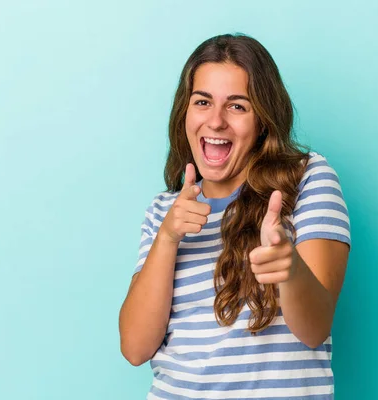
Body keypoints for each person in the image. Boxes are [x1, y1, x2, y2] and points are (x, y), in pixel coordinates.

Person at [119, 33, 351, 399]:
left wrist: (290, 270)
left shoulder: (308, 180)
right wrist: (166, 239)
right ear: (185, 112)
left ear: (263, 120)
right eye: (202, 102)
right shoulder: (163, 211)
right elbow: (135, 348)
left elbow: (314, 328)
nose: (215, 121)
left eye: (237, 106)